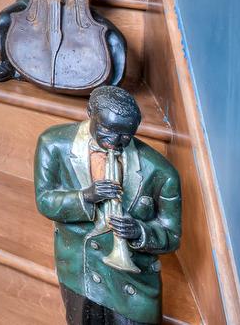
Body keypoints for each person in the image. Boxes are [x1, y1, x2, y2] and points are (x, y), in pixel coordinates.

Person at [35, 86, 182, 325]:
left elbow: (172, 235)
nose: (114, 142)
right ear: (89, 112)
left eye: (126, 136)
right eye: (106, 130)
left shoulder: (161, 172)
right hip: (79, 269)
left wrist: (140, 232)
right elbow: (45, 201)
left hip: (133, 280)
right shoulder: (52, 144)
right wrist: (86, 197)